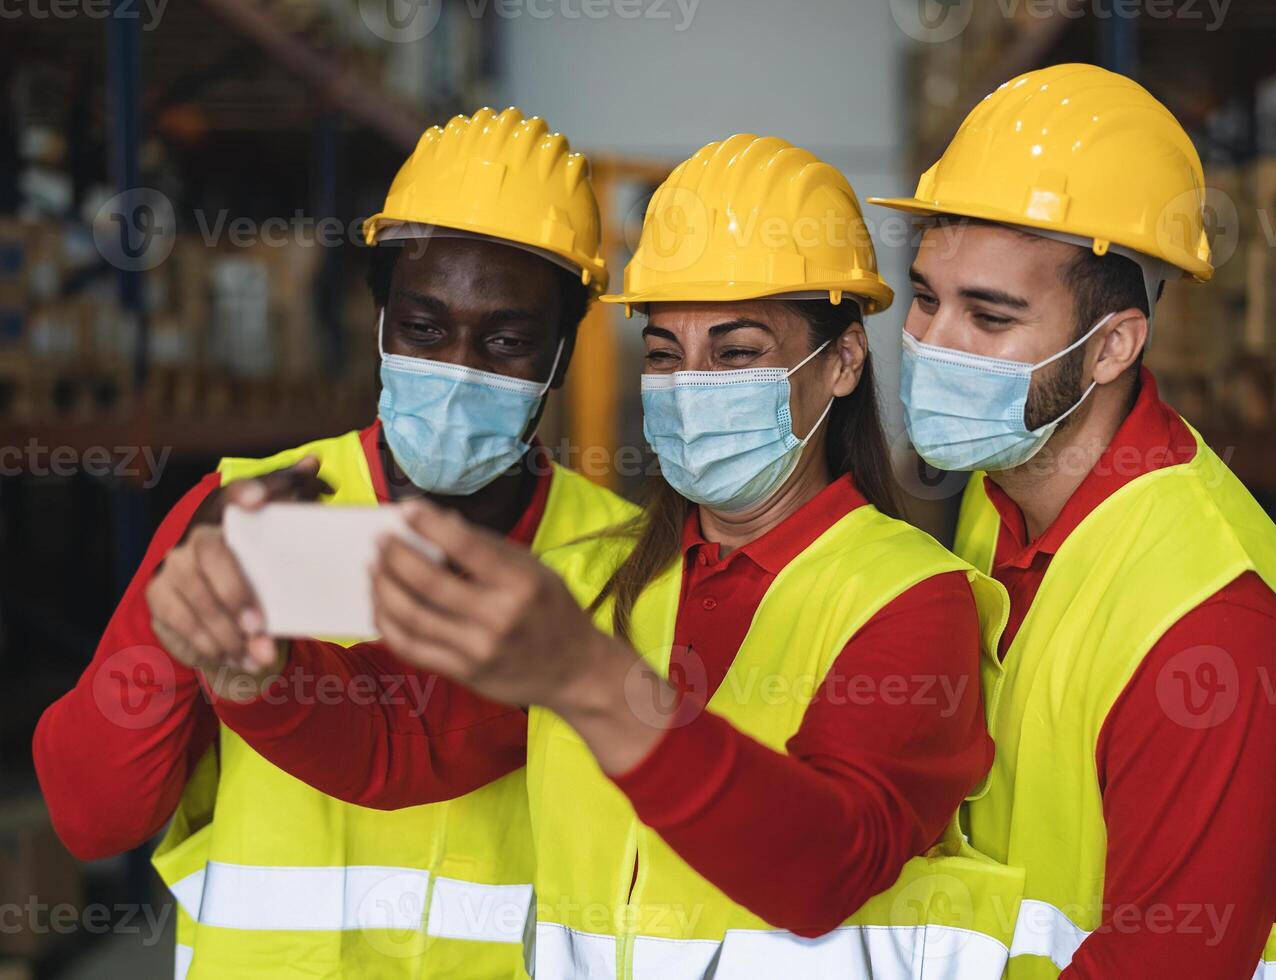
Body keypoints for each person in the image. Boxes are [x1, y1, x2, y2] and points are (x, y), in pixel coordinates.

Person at [183, 133, 1026, 978]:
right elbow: (399, 741)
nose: (692, 384)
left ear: (842, 361)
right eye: (665, 353)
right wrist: (254, 671)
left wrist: (590, 682)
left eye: (736, 353)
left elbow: (827, 867)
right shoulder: (593, 580)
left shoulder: (910, 599)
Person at [33, 107, 636, 979]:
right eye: (425, 327)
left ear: (563, 349)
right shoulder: (236, 511)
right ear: (381, 315)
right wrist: (178, 624)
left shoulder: (617, 559)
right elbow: (92, 816)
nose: (459, 368)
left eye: (506, 340)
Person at [869, 63, 1276, 979]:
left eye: (989, 317)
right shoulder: (1003, 491)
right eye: (925, 296)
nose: (930, 343)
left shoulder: (1214, 632)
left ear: (1111, 346)